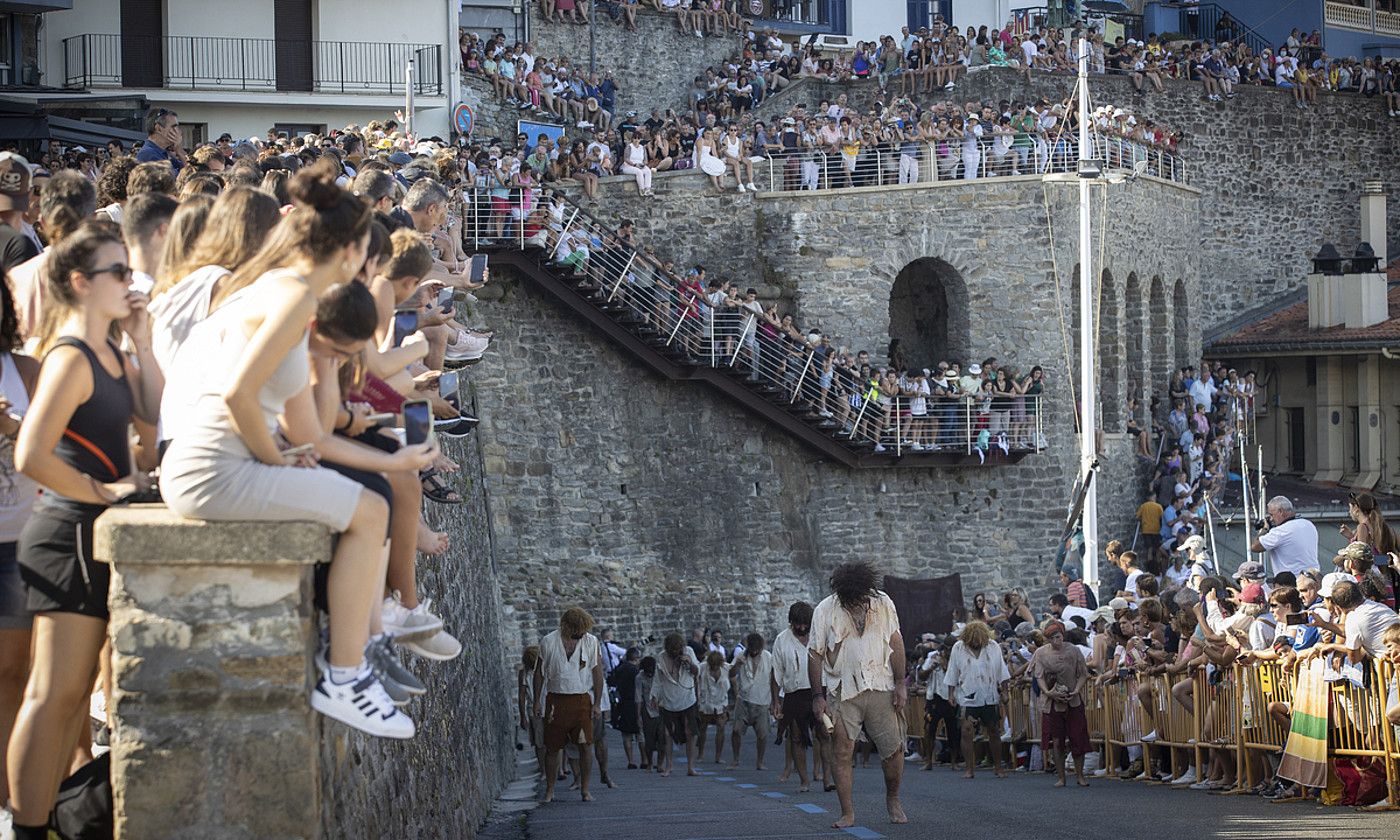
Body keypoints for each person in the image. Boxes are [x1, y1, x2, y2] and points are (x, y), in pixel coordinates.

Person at [158, 166, 432, 739]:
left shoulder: (280, 285)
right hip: (212, 467)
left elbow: (302, 426)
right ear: (354, 247)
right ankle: (346, 676)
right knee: (370, 510)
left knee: (369, 503)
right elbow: (237, 392)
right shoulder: (294, 296)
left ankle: (352, 663)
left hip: (208, 459)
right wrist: (276, 457)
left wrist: (286, 449)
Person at [9, 220, 162, 839]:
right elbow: (32, 455)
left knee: (71, 700)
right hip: (65, 534)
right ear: (80, 282)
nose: (130, 282)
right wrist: (103, 492)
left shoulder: (113, 354)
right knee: (54, 696)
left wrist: (144, 341)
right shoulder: (70, 356)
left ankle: (43, 821)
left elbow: (153, 420)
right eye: (118, 273)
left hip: (87, 534)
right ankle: (27, 827)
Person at [808, 561, 908, 829]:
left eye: (860, 599)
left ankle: (893, 798)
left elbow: (896, 641)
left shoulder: (883, 602)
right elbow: (815, 654)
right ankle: (848, 812)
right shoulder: (824, 609)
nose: (856, 604)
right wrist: (818, 696)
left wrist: (900, 683)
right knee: (842, 751)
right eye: (851, 600)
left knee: (894, 751)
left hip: (881, 685)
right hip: (843, 691)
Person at [534, 607, 605, 803]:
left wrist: (597, 703)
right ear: (567, 627)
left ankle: (585, 789)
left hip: (581, 700)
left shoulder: (590, 642)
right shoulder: (549, 642)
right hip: (556, 701)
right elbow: (539, 673)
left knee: (585, 745)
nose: (580, 634)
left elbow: (597, 673)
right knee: (552, 747)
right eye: (576, 630)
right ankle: (550, 789)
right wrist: (536, 702)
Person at [944, 619, 1009, 779]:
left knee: (994, 731)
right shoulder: (958, 648)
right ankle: (969, 768)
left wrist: (1005, 691)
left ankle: (998, 766)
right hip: (967, 695)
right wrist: (950, 694)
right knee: (966, 732)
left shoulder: (993, 646)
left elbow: (1002, 669)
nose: (975, 644)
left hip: (989, 694)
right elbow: (952, 671)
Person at [772, 601, 826, 792]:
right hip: (794, 693)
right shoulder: (782, 639)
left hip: (819, 690)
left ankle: (825, 775)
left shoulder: (820, 635)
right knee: (797, 737)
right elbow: (776, 671)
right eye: (798, 624)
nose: (802, 628)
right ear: (791, 622)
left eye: (805, 624)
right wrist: (775, 701)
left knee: (824, 733)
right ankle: (804, 780)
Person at [1030, 621, 1090, 787]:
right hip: (1053, 701)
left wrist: (1076, 690)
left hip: (1073, 699)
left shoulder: (1074, 650)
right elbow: (1039, 676)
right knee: (1057, 740)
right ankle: (1061, 777)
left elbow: (1083, 674)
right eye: (1052, 638)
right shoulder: (1041, 653)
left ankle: (1079, 775)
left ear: (1063, 635)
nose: (1056, 641)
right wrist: (1048, 692)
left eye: (1058, 636)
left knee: (1077, 738)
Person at [650, 631, 701, 778]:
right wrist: (654, 697)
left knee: (690, 732)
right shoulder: (661, 657)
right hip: (668, 699)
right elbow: (658, 679)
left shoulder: (689, 652)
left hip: (687, 698)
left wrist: (689, 663)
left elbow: (697, 672)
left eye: (676, 650)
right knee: (667, 734)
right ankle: (669, 765)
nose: (674, 652)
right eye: (671, 650)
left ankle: (691, 767)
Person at [729, 631, 774, 770]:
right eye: (752, 649)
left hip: (762, 701)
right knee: (736, 731)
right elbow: (731, 674)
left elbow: (774, 679)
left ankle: (760, 762)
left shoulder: (768, 657)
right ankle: (736, 759)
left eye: (757, 650)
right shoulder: (741, 656)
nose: (754, 652)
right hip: (744, 700)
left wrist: (774, 702)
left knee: (762, 734)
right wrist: (737, 664)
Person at [1250, 496, 1318, 577]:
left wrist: (1265, 529)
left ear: (1281, 511)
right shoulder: (1308, 524)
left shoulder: (1281, 531)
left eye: (1272, 515)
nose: (1271, 519)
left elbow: (1254, 547)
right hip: (1314, 577)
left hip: (1292, 581)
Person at [695, 649, 731, 766]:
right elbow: (694, 676)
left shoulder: (726, 668)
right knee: (702, 728)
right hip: (706, 703)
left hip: (721, 703)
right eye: (712, 665)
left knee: (721, 728)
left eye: (717, 665)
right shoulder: (702, 667)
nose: (714, 667)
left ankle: (718, 756)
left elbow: (734, 674)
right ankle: (700, 754)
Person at [609, 646, 642, 768]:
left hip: (623, 703)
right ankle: (644, 760)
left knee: (626, 735)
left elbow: (612, 681)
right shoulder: (637, 671)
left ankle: (631, 761)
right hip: (636, 702)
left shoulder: (620, 669)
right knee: (640, 734)